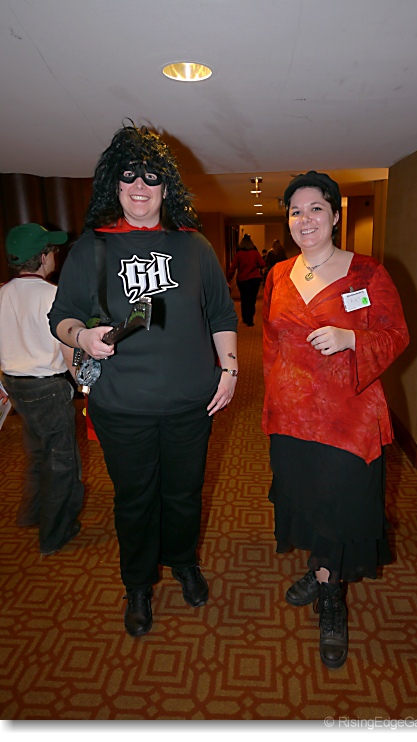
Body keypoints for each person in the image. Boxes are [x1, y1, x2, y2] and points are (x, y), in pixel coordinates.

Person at [48, 123, 238, 638]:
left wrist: (230, 370)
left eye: (151, 176)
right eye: (129, 175)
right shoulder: (92, 248)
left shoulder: (194, 245)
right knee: (134, 499)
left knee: (184, 494)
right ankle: (137, 583)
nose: (139, 185)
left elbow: (222, 314)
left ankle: (183, 561)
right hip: (122, 406)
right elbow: (61, 317)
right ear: (114, 184)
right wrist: (82, 338)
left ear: (165, 186)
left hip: (190, 403)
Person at [262, 171, 409, 669]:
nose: (305, 219)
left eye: (316, 208)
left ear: (335, 215)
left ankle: (331, 602)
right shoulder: (279, 274)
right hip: (293, 414)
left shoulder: (367, 273)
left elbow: (396, 334)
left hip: (349, 415)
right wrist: (272, 402)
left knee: (341, 503)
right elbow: (270, 343)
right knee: (306, 499)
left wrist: (352, 340)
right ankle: (321, 569)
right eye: (296, 211)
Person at [0, 223, 84, 555]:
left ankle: (31, 512)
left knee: (37, 450)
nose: (55, 256)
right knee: (61, 461)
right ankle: (55, 534)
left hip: (15, 386)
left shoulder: (2, 293)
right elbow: (68, 350)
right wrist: (86, 385)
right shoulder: (53, 296)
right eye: (52, 250)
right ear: (43, 257)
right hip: (48, 389)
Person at [226, 233, 265, 326]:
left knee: (244, 299)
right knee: (252, 299)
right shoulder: (255, 253)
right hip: (254, 279)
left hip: (242, 280)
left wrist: (228, 279)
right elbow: (262, 264)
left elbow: (233, 268)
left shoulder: (239, 254)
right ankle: (250, 319)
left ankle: (245, 317)